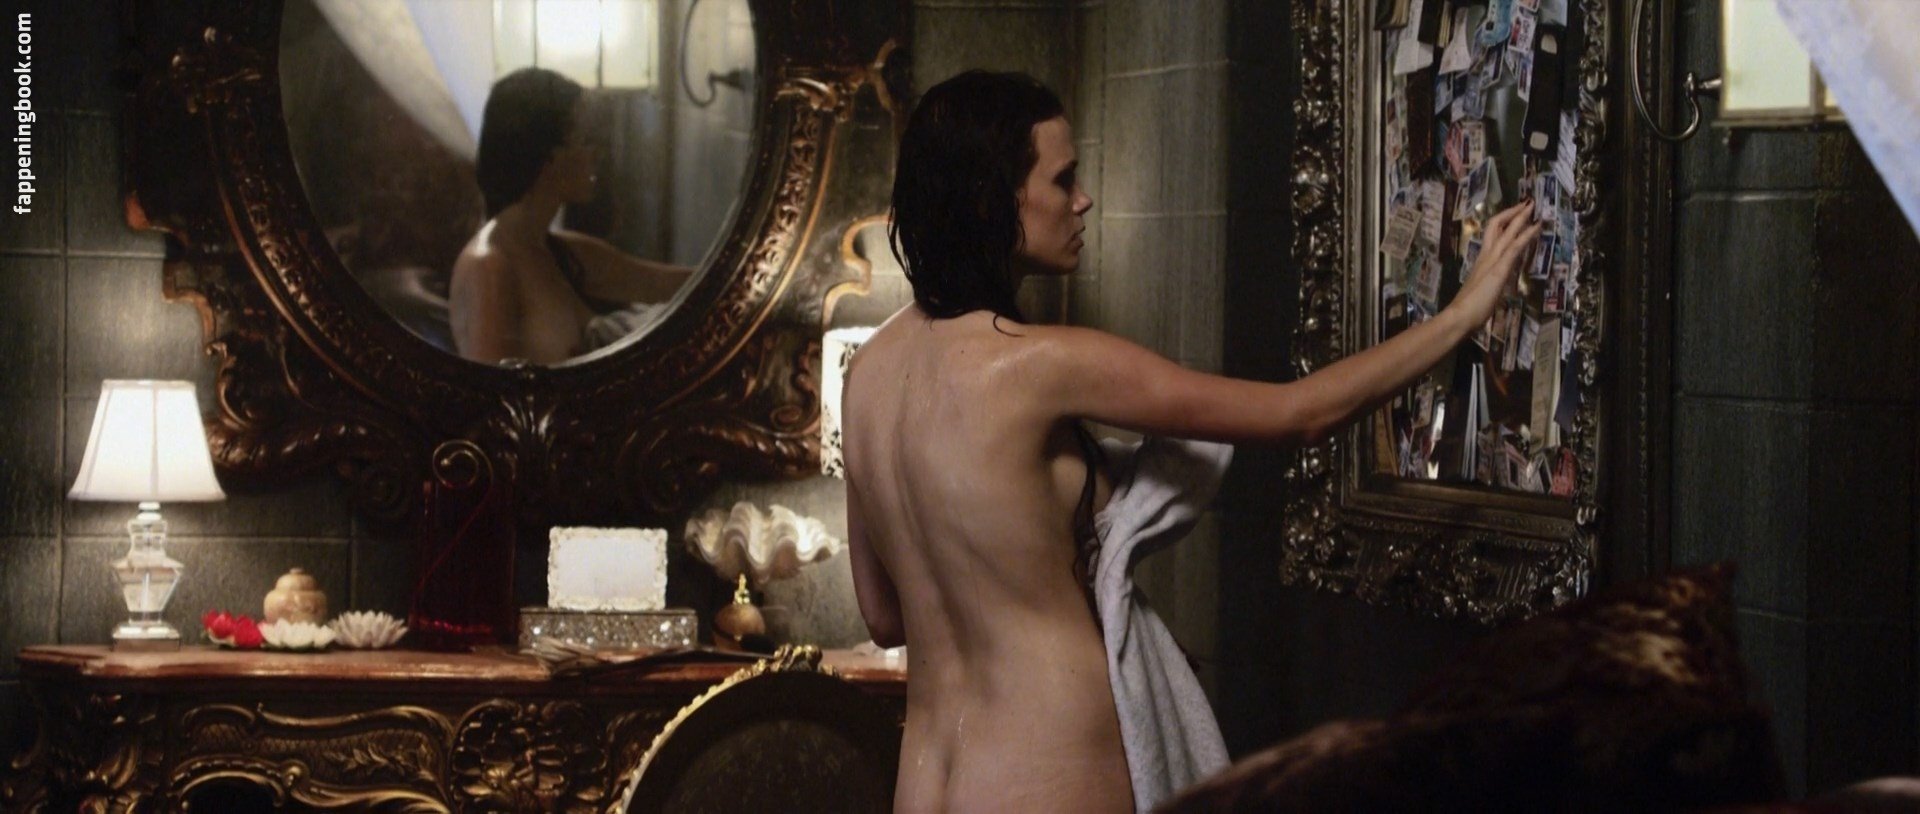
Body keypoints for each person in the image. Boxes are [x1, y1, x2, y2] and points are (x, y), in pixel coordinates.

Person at [841, 71, 1541, 813]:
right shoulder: (1037, 365)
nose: (1082, 200)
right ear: (993, 200)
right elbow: (1299, 413)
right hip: (1046, 766)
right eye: (1063, 178)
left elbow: (883, 617)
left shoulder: (867, 375)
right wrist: (1462, 315)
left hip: (926, 777)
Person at [450, 67, 693, 366]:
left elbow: (665, 284)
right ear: (546, 156)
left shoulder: (564, 253)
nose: (596, 153)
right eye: (584, 139)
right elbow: (490, 389)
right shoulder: (488, 266)